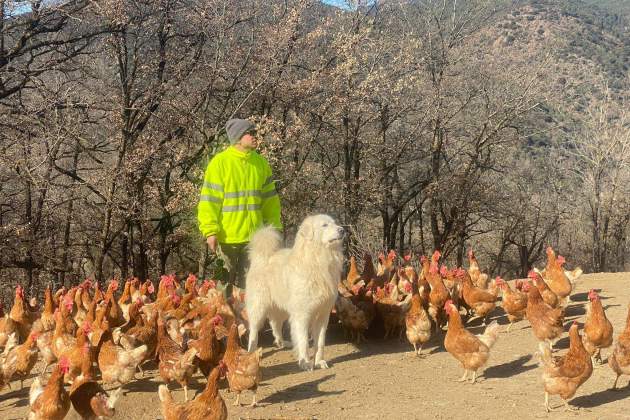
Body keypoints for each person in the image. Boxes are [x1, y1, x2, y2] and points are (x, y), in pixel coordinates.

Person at [198, 118, 282, 297]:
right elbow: (209, 201)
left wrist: (274, 229)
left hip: (254, 239)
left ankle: (247, 322)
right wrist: (210, 231)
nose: (254, 136)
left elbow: (270, 201)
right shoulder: (219, 163)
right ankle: (222, 320)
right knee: (223, 286)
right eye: (249, 133)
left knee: (253, 285)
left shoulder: (261, 163)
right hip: (227, 237)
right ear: (237, 137)